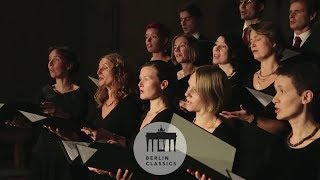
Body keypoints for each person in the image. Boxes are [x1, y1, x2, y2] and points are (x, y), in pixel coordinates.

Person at [86, 60, 176, 179]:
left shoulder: (169, 118)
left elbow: (155, 166)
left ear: (163, 84)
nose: (140, 84)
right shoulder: (145, 113)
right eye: (140, 79)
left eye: (146, 79)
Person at [219, 22, 287, 179]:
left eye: (258, 38)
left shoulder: (286, 79)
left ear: (274, 42)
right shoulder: (245, 77)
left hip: (269, 159)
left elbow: (286, 128)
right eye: (251, 40)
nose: (253, 44)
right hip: (240, 155)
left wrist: (252, 118)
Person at [31, 46, 89, 180]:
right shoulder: (44, 92)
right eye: (49, 60)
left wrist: (58, 113)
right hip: (43, 153)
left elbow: (81, 125)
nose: (50, 64)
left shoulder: (82, 94)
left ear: (69, 65)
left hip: (68, 155)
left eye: (55, 60)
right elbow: (35, 123)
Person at [80, 53, 142, 180]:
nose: (98, 71)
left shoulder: (130, 105)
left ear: (119, 72)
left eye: (105, 67)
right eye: (98, 68)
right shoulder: (99, 104)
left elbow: (132, 144)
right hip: (93, 172)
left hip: (114, 174)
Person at [184, 65, 235, 179]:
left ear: (211, 94)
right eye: (188, 86)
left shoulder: (223, 137)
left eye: (195, 89)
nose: (187, 93)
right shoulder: (184, 125)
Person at [272, 62, 320, 179]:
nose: (274, 99)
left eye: (282, 91)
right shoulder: (278, 143)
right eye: (275, 92)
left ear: (306, 97)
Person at [171, 33, 198, 121]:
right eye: (175, 47)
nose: (177, 50)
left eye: (182, 46)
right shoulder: (172, 74)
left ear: (192, 48)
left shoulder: (200, 74)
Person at [178, 2, 212, 66]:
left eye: (187, 19)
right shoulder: (177, 44)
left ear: (198, 19)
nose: (183, 23)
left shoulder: (207, 45)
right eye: (181, 20)